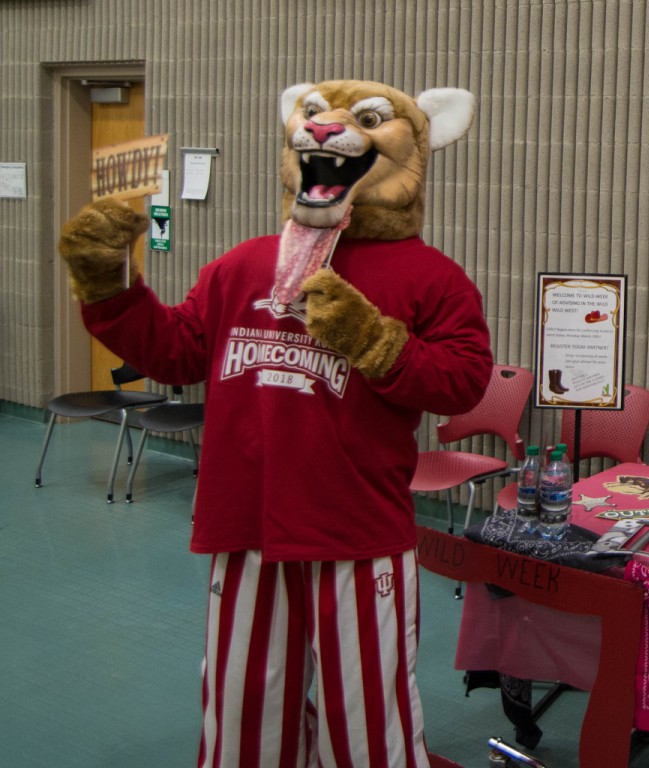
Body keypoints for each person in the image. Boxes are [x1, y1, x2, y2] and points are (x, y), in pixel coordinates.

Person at [57, 81, 490, 766]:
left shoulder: (432, 276)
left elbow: (464, 380)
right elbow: (175, 350)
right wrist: (110, 284)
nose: (324, 130)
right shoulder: (246, 263)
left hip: (357, 532)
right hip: (247, 525)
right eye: (313, 115)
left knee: (369, 727)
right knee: (241, 720)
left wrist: (376, 342)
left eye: (361, 121)